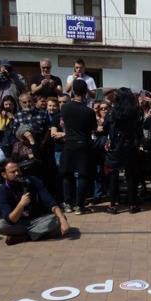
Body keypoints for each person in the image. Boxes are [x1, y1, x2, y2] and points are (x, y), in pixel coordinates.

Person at [0, 161, 69, 245]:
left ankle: (24, 237)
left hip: (37, 220)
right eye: (13, 172)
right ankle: (37, 234)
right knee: (1, 226)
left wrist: (62, 219)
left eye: (18, 170)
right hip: (18, 223)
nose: (17, 173)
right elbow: (11, 220)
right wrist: (21, 205)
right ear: (4, 175)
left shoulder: (32, 180)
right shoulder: (2, 191)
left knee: (59, 219)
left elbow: (50, 202)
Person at [57, 79, 96, 215]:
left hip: (69, 143)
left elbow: (63, 124)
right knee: (83, 175)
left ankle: (68, 204)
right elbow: (93, 129)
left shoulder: (65, 108)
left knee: (67, 174)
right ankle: (79, 205)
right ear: (85, 92)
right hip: (83, 144)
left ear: (73, 91)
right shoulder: (89, 111)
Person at [104, 88, 143, 215]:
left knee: (113, 175)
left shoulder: (113, 111)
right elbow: (139, 129)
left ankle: (113, 205)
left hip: (116, 146)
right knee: (131, 175)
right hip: (131, 145)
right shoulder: (136, 111)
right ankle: (132, 204)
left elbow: (105, 127)